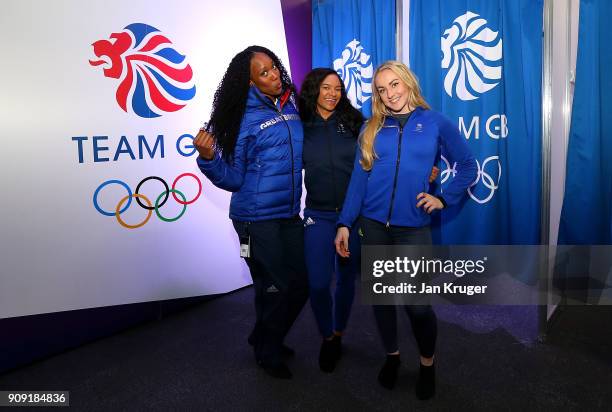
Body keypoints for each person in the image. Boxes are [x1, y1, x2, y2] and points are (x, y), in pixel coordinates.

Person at [334, 61, 477, 399]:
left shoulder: (435, 122)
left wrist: (444, 197)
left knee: (417, 305)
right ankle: (393, 357)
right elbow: (358, 181)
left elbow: (468, 165)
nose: (390, 94)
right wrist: (343, 222)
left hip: (412, 228)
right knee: (382, 301)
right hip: (372, 226)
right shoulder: (371, 128)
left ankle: (427, 364)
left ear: (408, 83)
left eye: (394, 85)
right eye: (382, 89)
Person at [194, 45, 308, 380]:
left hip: (288, 213)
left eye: (274, 68)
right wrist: (209, 159)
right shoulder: (239, 119)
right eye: (264, 73)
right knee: (274, 286)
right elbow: (234, 178)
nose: (274, 75)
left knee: (301, 283)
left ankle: (263, 335)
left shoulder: (290, 105)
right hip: (255, 218)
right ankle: (268, 350)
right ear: (249, 83)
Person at [298, 68, 364, 372]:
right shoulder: (301, 126)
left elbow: (383, 157)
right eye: (326, 88)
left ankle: (337, 334)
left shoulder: (354, 122)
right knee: (318, 283)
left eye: (338, 88)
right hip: (317, 216)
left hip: (352, 217)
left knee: (347, 280)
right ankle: (326, 335)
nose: (333, 94)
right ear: (314, 90)